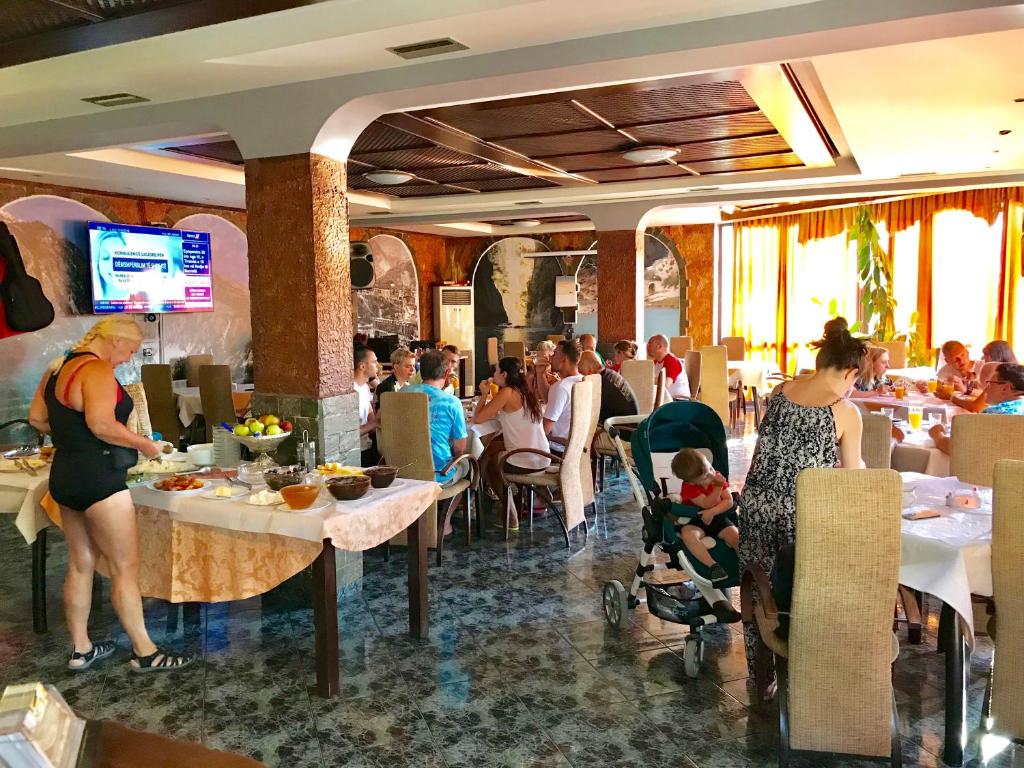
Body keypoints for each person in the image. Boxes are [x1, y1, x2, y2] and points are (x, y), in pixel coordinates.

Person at [27, 317, 193, 673]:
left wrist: (71, 435)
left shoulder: (57, 368)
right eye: (130, 351)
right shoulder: (96, 370)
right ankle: (145, 652)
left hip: (65, 476)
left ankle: (81, 649)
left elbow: (37, 418)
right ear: (115, 341)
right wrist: (145, 445)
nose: (127, 358)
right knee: (124, 568)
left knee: (80, 563)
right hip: (100, 478)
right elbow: (101, 424)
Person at [738, 326, 865, 673]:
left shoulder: (780, 391)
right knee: (798, 590)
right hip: (801, 514)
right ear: (851, 372)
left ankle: (761, 670)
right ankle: (801, 668)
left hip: (755, 504)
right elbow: (851, 478)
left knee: (758, 585)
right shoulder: (843, 410)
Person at [473, 357, 550, 529]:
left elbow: (478, 418)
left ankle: (510, 511)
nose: (493, 374)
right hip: (543, 456)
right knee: (492, 449)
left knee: (488, 464)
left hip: (525, 460)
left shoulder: (507, 392)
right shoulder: (525, 390)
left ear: (504, 374)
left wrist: (484, 394)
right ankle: (523, 496)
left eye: (496, 370)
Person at [669, 448, 740, 583]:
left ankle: (744, 561)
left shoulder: (716, 477)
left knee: (735, 535)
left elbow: (729, 501)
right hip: (696, 521)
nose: (712, 475)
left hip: (718, 519)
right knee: (688, 535)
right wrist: (717, 489)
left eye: (711, 468)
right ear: (692, 482)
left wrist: (713, 512)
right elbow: (707, 504)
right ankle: (713, 566)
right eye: (706, 476)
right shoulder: (688, 488)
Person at [405, 350, 469, 485]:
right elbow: (459, 449)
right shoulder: (451, 402)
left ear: (420, 372)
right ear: (446, 373)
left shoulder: (401, 393)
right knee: (467, 464)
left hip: (403, 472)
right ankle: (452, 499)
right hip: (438, 474)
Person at [928, 363, 1024, 454]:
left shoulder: (994, 414)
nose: (985, 389)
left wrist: (938, 436)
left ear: (1005, 388)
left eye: (990, 383)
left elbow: (959, 449)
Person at [578, 350, 638, 428]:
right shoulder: (608, 373)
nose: (581, 377)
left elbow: (592, 416)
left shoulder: (601, 383)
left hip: (621, 431)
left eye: (581, 372)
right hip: (629, 425)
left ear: (590, 370)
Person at [543, 340, 584, 445]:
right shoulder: (583, 381)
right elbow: (549, 399)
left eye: (554, 354)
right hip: (577, 447)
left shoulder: (560, 387)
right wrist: (540, 374)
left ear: (563, 359)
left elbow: (544, 430)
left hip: (556, 449)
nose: (550, 357)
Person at [353, 345, 379, 466]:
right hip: (354, 452)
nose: (378, 365)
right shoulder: (350, 391)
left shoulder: (364, 388)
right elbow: (348, 433)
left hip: (367, 446)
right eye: (374, 362)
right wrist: (375, 423)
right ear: (362, 366)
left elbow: (371, 420)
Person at [647, 334, 690, 399]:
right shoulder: (656, 362)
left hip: (678, 401)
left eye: (650, 343)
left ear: (659, 347)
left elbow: (664, 386)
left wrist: (648, 381)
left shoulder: (672, 361)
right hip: (667, 399)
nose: (647, 346)